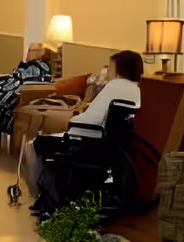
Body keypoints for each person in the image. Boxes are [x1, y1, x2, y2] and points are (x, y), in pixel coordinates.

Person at [24, 50, 144, 212]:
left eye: (111, 67)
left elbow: (91, 119)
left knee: (36, 144)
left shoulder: (115, 85)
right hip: (117, 147)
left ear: (119, 69)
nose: (108, 71)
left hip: (91, 143)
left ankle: (49, 199)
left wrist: (73, 120)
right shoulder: (138, 90)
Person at [0, 43, 54, 146]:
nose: (29, 54)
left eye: (33, 51)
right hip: (11, 84)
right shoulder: (25, 65)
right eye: (29, 50)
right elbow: (15, 74)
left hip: (19, 88)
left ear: (41, 53)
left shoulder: (40, 67)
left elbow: (32, 79)